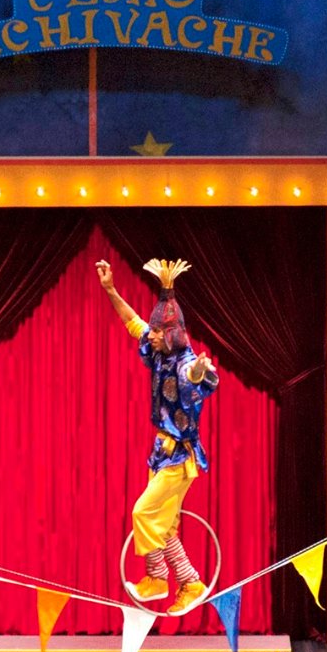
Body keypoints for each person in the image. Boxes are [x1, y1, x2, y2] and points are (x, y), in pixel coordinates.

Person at [96, 257, 221, 616]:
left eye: (155, 332)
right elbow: (132, 323)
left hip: (179, 458)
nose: (148, 335)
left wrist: (199, 371)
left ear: (170, 335)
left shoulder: (184, 363)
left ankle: (158, 576)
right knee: (162, 527)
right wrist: (110, 290)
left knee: (143, 513)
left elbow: (196, 377)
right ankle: (188, 582)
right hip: (163, 453)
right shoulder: (159, 352)